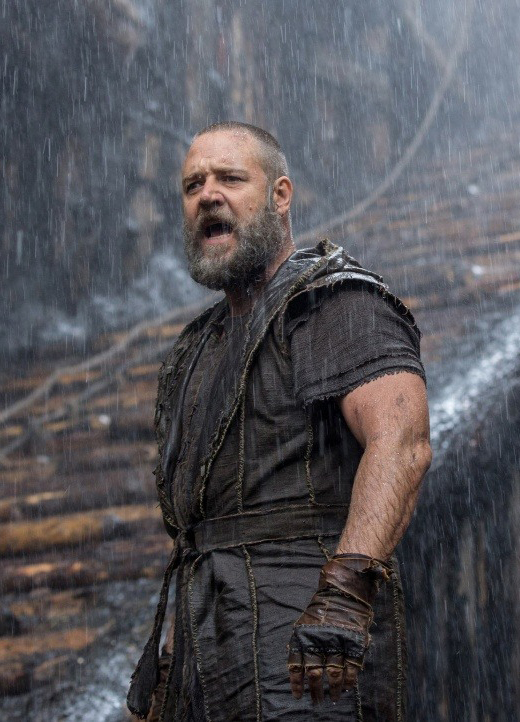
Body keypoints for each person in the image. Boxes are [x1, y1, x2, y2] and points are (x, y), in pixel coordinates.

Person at [127, 122, 431, 722]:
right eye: (192, 185)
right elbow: (202, 533)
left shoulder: (334, 303)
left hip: (307, 659)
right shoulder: (197, 349)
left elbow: (402, 444)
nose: (207, 195)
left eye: (230, 178)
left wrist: (345, 593)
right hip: (211, 661)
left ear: (280, 195)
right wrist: (171, 662)